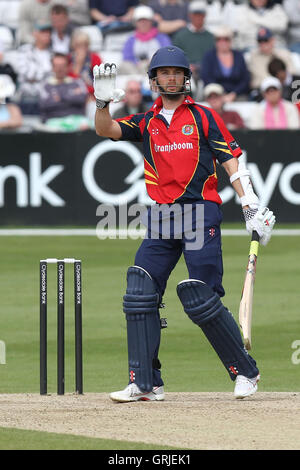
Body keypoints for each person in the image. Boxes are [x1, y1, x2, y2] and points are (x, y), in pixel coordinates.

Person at [93, 46, 276, 402]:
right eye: (164, 73)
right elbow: (107, 130)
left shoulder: (205, 116)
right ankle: (145, 382)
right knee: (139, 292)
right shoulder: (147, 121)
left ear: (186, 78)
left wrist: (248, 201)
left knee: (201, 297)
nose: (171, 78)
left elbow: (231, 160)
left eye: (177, 72)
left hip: (199, 211)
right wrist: (102, 103)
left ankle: (246, 372)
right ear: (154, 80)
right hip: (160, 215)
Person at [39, 52, 91, 131]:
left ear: (68, 66)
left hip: (77, 119)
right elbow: (45, 105)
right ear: (52, 67)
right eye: (57, 66)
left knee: (90, 126)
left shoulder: (77, 82)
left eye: (62, 65)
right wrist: (71, 95)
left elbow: (82, 99)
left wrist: (61, 97)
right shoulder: (45, 85)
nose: (60, 69)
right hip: (53, 121)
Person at [201, 25, 250, 102]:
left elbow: (245, 79)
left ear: (231, 40)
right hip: (214, 94)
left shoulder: (239, 56)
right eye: (219, 39)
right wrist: (220, 94)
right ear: (215, 41)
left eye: (226, 39)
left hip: (237, 95)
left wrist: (234, 94)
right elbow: (206, 77)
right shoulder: (209, 56)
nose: (222, 42)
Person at [247, 27, 297, 100]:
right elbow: (260, 79)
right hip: (263, 91)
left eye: (266, 40)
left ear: (272, 40)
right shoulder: (254, 57)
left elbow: (291, 74)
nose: (263, 44)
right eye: (260, 41)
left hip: (285, 89)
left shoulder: (283, 54)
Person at [120, 5, 171, 75]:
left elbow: (168, 55)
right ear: (135, 23)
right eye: (140, 21)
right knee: (125, 65)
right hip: (135, 70)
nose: (143, 23)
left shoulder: (162, 38)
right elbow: (127, 58)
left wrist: (149, 62)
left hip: (156, 69)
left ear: (151, 22)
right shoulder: (131, 40)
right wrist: (138, 63)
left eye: (146, 20)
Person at [172, 1, 215, 81]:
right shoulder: (180, 36)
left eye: (200, 14)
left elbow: (214, 58)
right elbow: (175, 56)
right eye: (195, 14)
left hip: (207, 73)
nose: (198, 17)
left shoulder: (211, 37)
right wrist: (187, 65)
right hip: (186, 72)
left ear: (205, 16)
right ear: (190, 15)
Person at [16, 22, 53, 114]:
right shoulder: (24, 50)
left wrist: (35, 76)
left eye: (48, 32)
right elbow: (25, 73)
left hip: (48, 97)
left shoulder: (54, 53)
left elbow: (54, 76)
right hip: (27, 96)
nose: (47, 34)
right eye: (43, 32)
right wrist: (45, 74)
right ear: (35, 33)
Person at [68, 29, 102, 100]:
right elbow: (70, 84)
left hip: (92, 94)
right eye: (79, 45)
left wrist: (87, 90)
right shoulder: (68, 60)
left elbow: (100, 82)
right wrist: (78, 65)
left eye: (85, 45)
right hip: (73, 95)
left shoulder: (95, 58)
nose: (82, 48)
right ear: (73, 46)